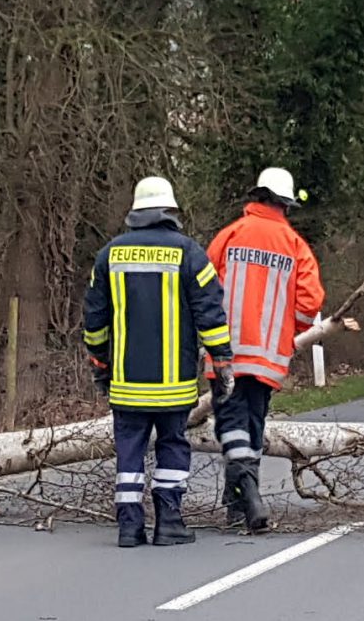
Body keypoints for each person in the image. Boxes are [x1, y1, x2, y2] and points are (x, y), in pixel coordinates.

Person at [82, 175, 231, 548]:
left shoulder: (109, 255)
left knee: (129, 450)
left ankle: (129, 527)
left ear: (135, 212)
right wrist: (221, 361)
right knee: (172, 445)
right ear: (170, 211)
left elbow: (94, 319)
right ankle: (169, 522)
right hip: (174, 383)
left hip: (126, 381)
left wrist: (100, 362)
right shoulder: (189, 253)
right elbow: (210, 313)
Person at [207, 166, 326, 532]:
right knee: (253, 424)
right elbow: (310, 303)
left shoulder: (229, 235)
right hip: (268, 357)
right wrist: (289, 329)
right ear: (285, 204)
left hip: (226, 352)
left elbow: (203, 288)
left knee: (231, 424)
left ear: (256, 196)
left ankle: (245, 495)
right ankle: (240, 504)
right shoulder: (295, 245)